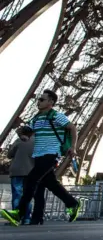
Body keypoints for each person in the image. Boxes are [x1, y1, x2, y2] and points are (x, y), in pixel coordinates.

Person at [1, 89, 82, 227]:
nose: (38, 102)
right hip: (38, 154)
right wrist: (23, 135)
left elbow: (72, 128)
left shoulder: (56, 116)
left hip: (51, 153)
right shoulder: (36, 118)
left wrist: (73, 147)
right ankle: (73, 204)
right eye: (38, 99)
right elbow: (27, 133)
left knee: (31, 180)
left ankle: (18, 214)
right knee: (51, 184)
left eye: (42, 99)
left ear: (51, 102)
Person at [7, 126, 35, 225]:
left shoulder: (18, 141)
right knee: (27, 196)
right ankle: (27, 218)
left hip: (17, 171)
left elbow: (9, 154)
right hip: (30, 172)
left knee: (17, 195)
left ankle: (16, 218)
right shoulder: (37, 142)